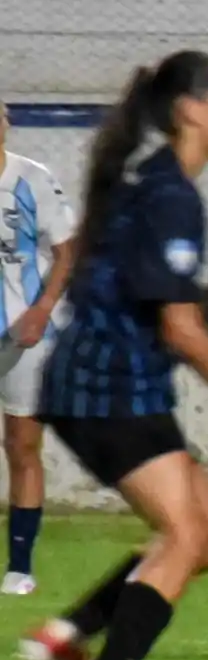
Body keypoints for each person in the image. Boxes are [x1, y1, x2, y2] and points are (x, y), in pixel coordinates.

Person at [16, 50, 208, 660]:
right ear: (191, 110)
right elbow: (180, 327)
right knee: (186, 534)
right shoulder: (171, 195)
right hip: (110, 388)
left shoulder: (150, 180)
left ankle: (68, 635)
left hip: (113, 385)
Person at [0, 101, 80, 596]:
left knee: (22, 446)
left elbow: (67, 250)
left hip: (22, 335)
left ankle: (20, 567)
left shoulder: (32, 179)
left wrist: (42, 309)